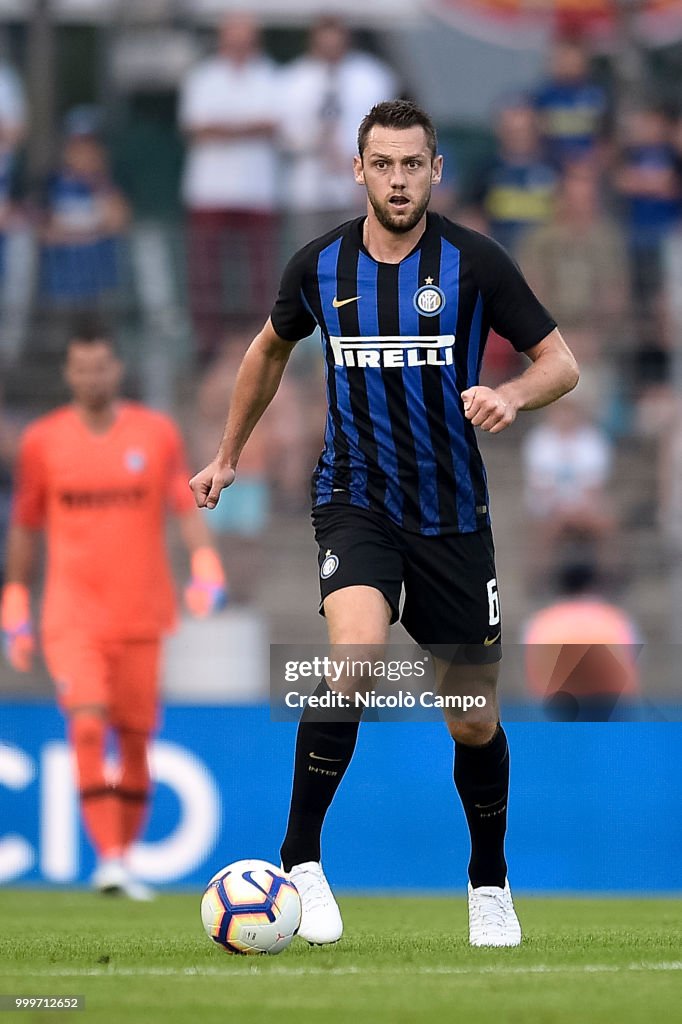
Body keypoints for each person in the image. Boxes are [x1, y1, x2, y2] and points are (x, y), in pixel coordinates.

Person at [190, 100, 579, 947]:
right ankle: (302, 859)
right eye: (383, 165)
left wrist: (509, 393)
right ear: (358, 170)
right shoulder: (319, 265)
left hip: (450, 516)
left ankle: (488, 882)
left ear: (435, 171)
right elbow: (266, 350)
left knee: (472, 717)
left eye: (413, 165)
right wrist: (227, 456)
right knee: (354, 660)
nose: (398, 180)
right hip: (356, 501)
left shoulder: (475, 264)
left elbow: (562, 362)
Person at [1, 326, 228, 899]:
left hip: (142, 615)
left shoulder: (154, 435)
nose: (92, 377)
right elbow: (26, 526)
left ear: (116, 369)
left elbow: (185, 506)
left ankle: (122, 859)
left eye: (101, 366)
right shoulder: (43, 442)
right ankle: (107, 858)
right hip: (71, 616)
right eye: (82, 368)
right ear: (68, 374)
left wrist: (205, 563)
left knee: (133, 740)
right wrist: (15, 597)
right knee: (85, 721)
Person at [178, 12, 281, 362]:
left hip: (257, 190)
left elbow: (275, 125)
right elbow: (197, 127)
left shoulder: (269, 75)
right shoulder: (204, 76)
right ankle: (208, 342)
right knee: (207, 273)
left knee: (259, 273)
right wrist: (248, 128)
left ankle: (262, 341)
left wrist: (225, 128)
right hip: (210, 190)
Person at [279, 15, 398, 252]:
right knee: (310, 258)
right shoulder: (293, 80)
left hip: (357, 188)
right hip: (308, 189)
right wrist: (315, 142)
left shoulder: (371, 77)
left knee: (356, 256)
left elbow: (390, 129)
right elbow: (283, 134)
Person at [524, 562, 640, 722]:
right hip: (611, 702)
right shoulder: (613, 618)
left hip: (560, 705)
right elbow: (633, 659)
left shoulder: (542, 622)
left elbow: (533, 666)